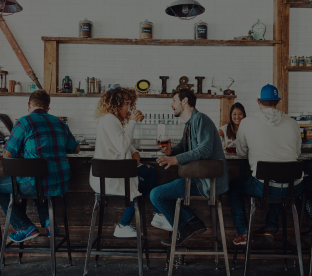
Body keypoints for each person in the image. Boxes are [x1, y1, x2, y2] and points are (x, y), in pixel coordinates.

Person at [150, 89, 229, 246]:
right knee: (162, 189)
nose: (171, 104)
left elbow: (205, 150)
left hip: (208, 181)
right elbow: (184, 147)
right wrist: (172, 151)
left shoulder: (201, 119)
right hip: (198, 178)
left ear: (184, 101)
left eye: (174, 100)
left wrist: (176, 159)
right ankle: (193, 222)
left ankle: (183, 228)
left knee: (156, 195)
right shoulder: (189, 124)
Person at [228, 84, 305, 245]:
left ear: (258, 101)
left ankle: (243, 232)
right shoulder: (293, 123)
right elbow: (297, 154)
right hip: (295, 186)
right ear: (277, 101)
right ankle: (270, 226)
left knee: (233, 187)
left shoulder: (247, 123)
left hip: (264, 185)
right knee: (281, 181)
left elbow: (242, 153)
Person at [1, 90, 79, 243]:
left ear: (29, 105)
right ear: (48, 108)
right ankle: (49, 222)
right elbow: (75, 149)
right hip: (60, 183)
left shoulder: (24, 122)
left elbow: (8, 154)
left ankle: (24, 227)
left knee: (34, 181)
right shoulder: (60, 123)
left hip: (38, 184)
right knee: (38, 179)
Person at [89, 87, 168, 238]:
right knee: (148, 175)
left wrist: (135, 157)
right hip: (110, 179)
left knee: (146, 173)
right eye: (126, 104)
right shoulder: (110, 119)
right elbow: (123, 146)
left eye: (130, 104)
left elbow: (128, 147)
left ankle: (126, 224)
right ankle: (147, 217)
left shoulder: (113, 120)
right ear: (115, 104)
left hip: (112, 175)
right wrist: (132, 122)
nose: (129, 108)